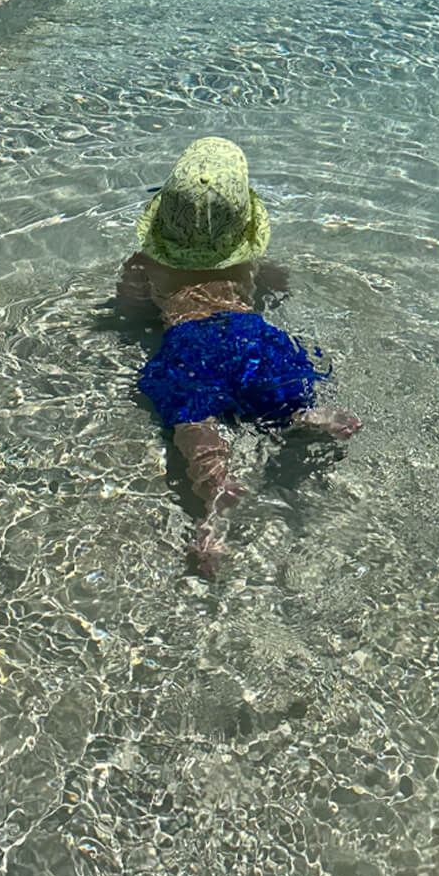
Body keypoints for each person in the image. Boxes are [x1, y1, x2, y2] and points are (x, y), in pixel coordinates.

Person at [116, 137, 360, 576]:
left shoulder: (144, 262)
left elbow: (131, 306)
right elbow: (279, 284)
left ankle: (215, 497)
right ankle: (305, 416)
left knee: (195, 423)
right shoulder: (249, 261)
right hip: (250, 335)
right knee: (279, 393)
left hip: (188, 343)